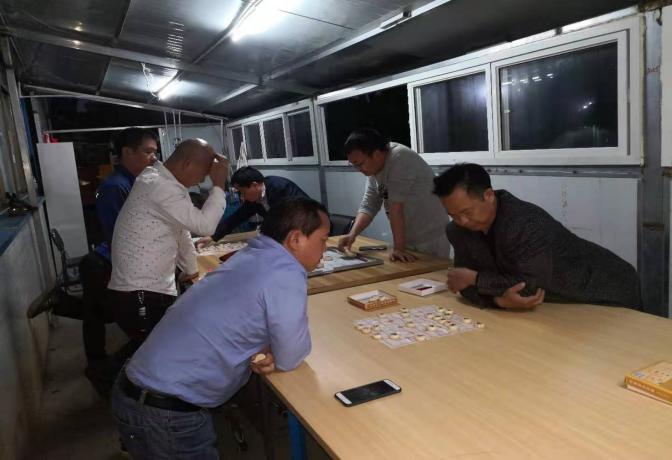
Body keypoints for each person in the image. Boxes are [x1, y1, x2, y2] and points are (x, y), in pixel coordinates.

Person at [111, 197, 328, 459]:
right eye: (323, 240)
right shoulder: (286, 272)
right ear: (296, 239)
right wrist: (279, 347)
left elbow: (248, 317)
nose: (325, 248)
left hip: (135, 391)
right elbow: (291, 355)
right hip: (167, 414)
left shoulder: (251, 254)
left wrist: (272, 343)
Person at [433, 163, 642, 310]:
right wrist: (499, 301)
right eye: (453, 215)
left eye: (467, 212)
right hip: (555, 302)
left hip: (603, 290)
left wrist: (475, 278)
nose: (462, 221)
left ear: (489, 195)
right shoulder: (457, 231)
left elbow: (528, 287)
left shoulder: (526, 222)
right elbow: (462, 284)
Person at [107, 138, 229, 358]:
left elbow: (181, 230)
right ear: (187, 164)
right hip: (141, 293)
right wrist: (219, 186)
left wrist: (191, 269)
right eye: (203, 174)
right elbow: (205, 226)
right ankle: (109, 374)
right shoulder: (160, 186)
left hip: (145, 291)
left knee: (155, 350)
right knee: (152, 355)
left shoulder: (161, 181)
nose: (202, 181)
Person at [79, 127, 158, 391]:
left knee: (102, 315)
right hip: (103, 265)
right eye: (148, 152)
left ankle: (102, 371)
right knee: (141, 328)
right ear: (128, 152)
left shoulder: (135, 182)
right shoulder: (116, 187)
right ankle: (104, 374)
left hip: (113, 263)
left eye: (155, 152)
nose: (154, 158)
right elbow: (121, 238)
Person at [338, 128, 450, 262]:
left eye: (360, 164)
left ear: (376, 154)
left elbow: (395, 207)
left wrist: (398, 248)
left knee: (432, 273)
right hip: (407, 238)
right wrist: (352, 235)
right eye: (354, 165)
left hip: (430, 237)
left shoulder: (400, 157)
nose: (359, 170)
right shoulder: (374, 169)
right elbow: (369, 205)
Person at [200, 166, 309, 244]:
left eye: (242, 192)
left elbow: (289, 219)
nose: (242, 197)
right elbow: (236, 218)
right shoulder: (255, 198)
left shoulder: (279, 188)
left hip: (307, 226)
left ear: (254, 185)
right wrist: (213, 237)